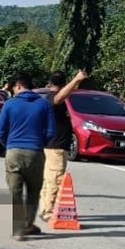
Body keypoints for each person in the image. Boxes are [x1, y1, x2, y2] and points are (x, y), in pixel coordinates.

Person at [0, 73, 56, 240]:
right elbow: (51, 131)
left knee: (15, 191)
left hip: (14, 152)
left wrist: (10, 144)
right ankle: (28, 224)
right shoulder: (44, 104)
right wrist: (38, 143)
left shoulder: (9, 104)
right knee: (33, 191)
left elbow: (0, 130)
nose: (13, 91)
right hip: (36, 152)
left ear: (19, 86)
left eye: (14, 87)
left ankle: (17, 229)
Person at [39, 69, 88, 222]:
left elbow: (65, 94)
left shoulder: (50, 97)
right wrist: (76, 79)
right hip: (56, 147)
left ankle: (45, 208)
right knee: (55, 179)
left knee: (49, 179)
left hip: (54, 145)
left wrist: (77, 81)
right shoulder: (52, 98)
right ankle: (47, 211)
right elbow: (60, 97)